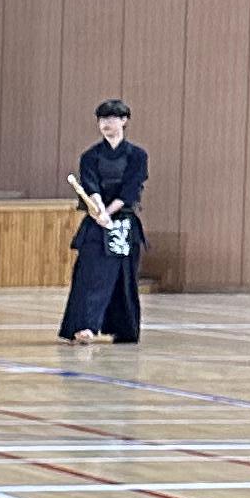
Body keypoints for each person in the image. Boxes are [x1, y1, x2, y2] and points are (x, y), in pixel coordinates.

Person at [59, 98, 148, 347]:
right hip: (96, 224)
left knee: (122, 278)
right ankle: (84, 326)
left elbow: (132, 188)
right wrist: (98, 210)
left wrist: (109, 212)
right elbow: (91, 185)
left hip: (123, 224)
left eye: (111, 119)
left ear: (124, 121)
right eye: (101, 120)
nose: (105, 124)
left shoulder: (137, 156)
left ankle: (123, 329)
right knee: (90, 274)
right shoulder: (90, 156)